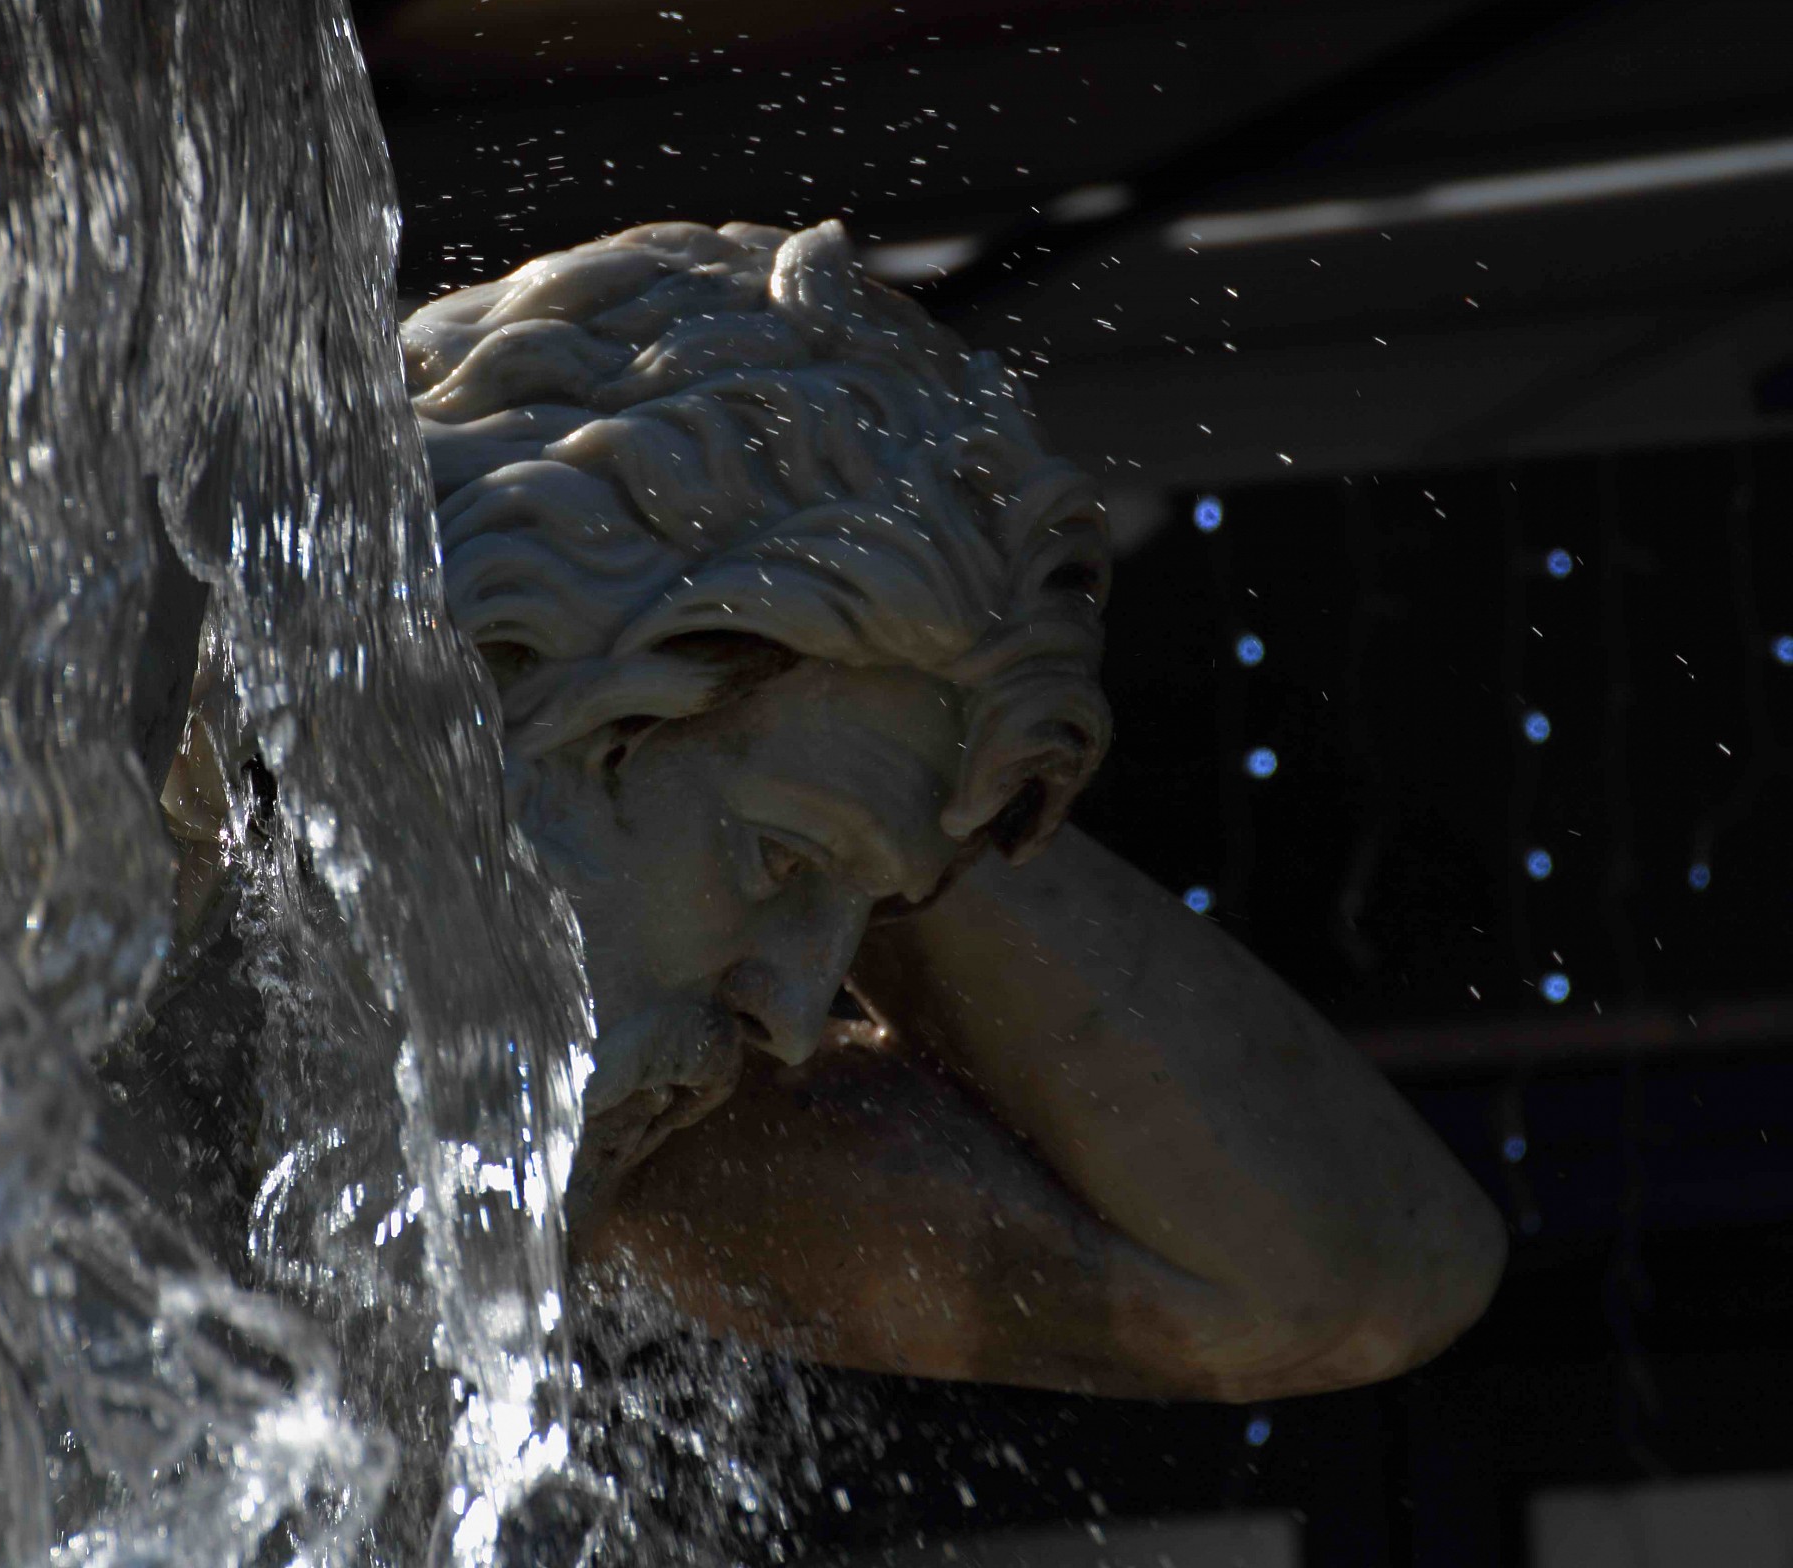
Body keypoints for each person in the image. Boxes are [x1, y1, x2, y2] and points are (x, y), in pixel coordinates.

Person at [386, 218, 1505, 1399]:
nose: (797, 1013)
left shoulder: (581, 1151)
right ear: (489, 692)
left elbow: (1328, 1289)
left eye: (870, 920)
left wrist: (928, 785)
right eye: (781, 860)